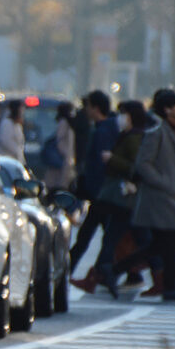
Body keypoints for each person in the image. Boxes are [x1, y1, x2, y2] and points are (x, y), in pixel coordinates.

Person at [73, 101, 149, 297]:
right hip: (119, 197)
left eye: (124, 114)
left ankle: (106, 274)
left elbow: (136, 168)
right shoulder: (128, 135)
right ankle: (101, 275)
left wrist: (111, 159)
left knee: (140, 240)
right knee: (113, 238)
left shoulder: (134, 138)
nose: (120, 118)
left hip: (121, 195)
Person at [132, 89, 175, 301]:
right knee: (169, 241)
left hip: (169, 195)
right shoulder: (157, 131)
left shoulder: (173, 130)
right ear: (168, 109)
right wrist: (163, 182)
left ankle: (109, 270)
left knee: (163, 244)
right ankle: (170, 287)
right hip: (160, 197)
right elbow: (143, 163)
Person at [68, 90, 119, 273]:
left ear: (96, 108)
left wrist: (92, 189)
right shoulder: (103, 128)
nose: (85, 110)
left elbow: (100, 165)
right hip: (101, 193)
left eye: (88, 106)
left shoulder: (103, 130)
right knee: (101, 235)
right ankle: (104, 270)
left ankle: (104, 270)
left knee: (99, 236)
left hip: (101, 193)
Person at [43, 101, 76, 191]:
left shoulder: (67, 123)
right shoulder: (64, 123)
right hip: (62, 161)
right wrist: (67, 155)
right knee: (58, 185)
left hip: (65, 160)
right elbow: (60, 142)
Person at [0, 99, 26, 163]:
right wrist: (17, 152)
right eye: (21, 109)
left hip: (16, 160)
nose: (22, 112)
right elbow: (5, 141)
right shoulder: (6, 123)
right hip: (6, 159)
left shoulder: (17, 125)